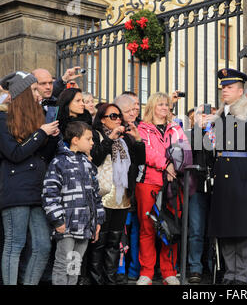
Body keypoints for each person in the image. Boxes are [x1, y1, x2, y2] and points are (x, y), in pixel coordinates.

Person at [207, 69, 247, 285]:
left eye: (229, 87)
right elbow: (211, 146)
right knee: (226, 228)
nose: (224, 90)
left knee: (243, 229)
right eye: (223, 87)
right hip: (224, 177)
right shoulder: (221, 115)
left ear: (240, 90)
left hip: (243, 175)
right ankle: (230, 274)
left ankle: (241, 277)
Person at [0, 71, 60, 285]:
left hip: (37, 189)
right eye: (34, 89)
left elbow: (41, 154)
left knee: (43, 245)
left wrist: (52, 137)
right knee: (15, 244)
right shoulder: (2, 118)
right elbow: (15, 153)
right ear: (24, 93)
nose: (39, 93)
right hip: (16, 189)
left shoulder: (37, 117)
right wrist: (41, 134)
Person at [135, 92, 192, 285]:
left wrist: (173, 168)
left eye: (167, 105)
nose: (164, 108)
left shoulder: (176, 128)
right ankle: (147, 273)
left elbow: (185, 151)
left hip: (173, 183)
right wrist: (165, 165)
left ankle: (169, 272)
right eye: (160, 104)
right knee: (147, 228)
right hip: (148, 182)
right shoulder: (142, 128)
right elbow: (145, 152)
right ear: (152, 106)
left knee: (171, 227)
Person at [86, 103, 145, 285]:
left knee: (114, 241)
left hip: (122, 196)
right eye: (113, 116)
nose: (118, 119)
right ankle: (96, 280)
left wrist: (138, 140)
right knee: (99, 241)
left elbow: (140, 161)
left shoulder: (125, 139)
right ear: (102, 118)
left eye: (119, 115)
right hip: (102, 195)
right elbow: (95, 157)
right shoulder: (95, 135)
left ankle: (110, 279)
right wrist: (110, 138)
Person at [42, 121, 105, 285]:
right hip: (66, 225)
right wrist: (57, 220)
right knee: (63, 263)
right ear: (75, 140)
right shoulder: (59, 162)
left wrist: (97, 221)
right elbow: (50, 193)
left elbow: (95, 195)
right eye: (89, 139)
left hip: (85, 226)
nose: (92, 143)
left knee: (74, 264)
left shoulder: (88, 164)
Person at [113, 94, 142, 284]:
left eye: (135, 109)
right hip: (117, 189)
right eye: (128, 110)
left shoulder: (137, 128)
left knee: (135, 230)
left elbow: (141, 160)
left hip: (134, 187)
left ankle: (134, 269)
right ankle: (119, 269)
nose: (133, 113)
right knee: (120, 230)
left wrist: (138, 140)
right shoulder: (116, 131)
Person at [187, 104, 215, 284]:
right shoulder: (189, 133)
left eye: (208, 114)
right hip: (196, 186)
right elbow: (193, 149)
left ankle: (214, 267)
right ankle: (195, 267)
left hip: (216, 186)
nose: (205, 117)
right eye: (200, 115)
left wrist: (214, 127)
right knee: (196, 230)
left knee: (215, 229)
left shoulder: (218, 131)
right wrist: (199, 127)